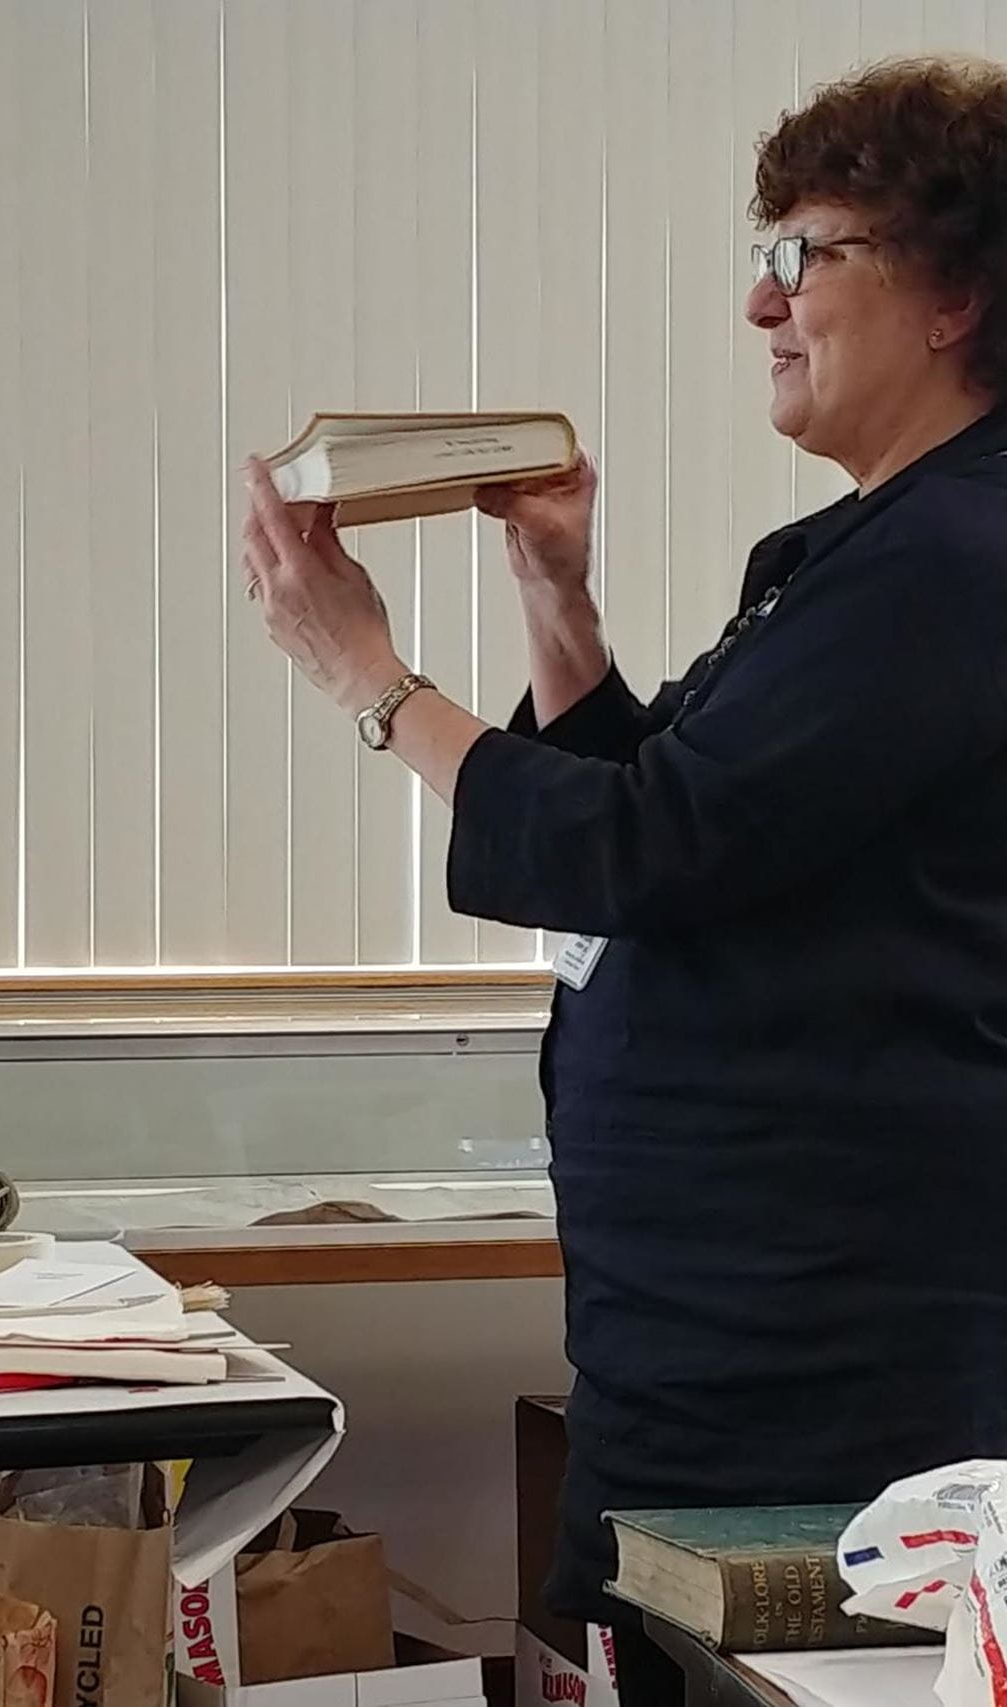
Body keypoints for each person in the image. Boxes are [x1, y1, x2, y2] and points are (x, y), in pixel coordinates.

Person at [241, 56, 1007, 1706]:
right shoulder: (867, 555)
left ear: (953, 294)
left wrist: (369, 677)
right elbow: (685, 839)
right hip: (711, 1333)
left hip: (820, 1357)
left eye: (809, 253)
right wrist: (555, 599)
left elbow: (647, 851)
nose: (760, 299)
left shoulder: (957, 563)